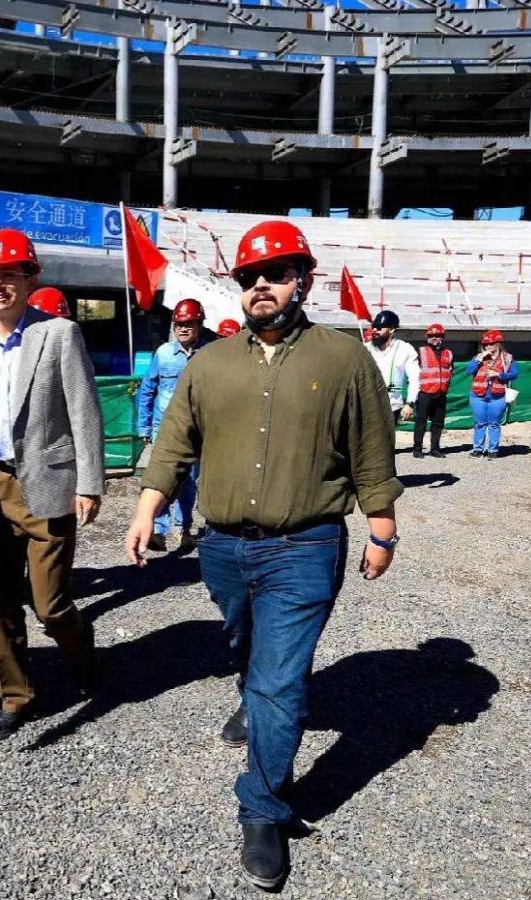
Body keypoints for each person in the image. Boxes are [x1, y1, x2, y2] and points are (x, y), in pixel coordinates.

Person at [124, 220, 402, 890]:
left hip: (305, 546)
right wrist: (147, 505)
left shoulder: (343, 358)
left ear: (303, 279)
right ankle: (252, 693)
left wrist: (383, 525)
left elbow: (371, 446)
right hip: (221, 549)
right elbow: (174, 441)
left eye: (276, 274)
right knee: (245, 643)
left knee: (281, 681)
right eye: (250, 277)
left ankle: (263, 808)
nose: (261, 287)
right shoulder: (210, 363)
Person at [0, 228, 104, 742]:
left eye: (9, 274)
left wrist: (90, 483)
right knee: (2, 600)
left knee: (50, 604)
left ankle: (85, 656)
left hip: (47, 482)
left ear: (29, 278)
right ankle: (16, 696)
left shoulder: (59, 334)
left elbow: (84, 411)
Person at [136, 298, 208, 553]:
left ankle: (184, 528)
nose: (184, 329)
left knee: (188, 481)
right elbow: (147, 390)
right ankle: (159, 529)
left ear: (199, 325)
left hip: (196, 430)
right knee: (162, 477)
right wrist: (143, 427)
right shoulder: (164, 354)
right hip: (164, 428)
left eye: (189, 324)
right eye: (179, 324)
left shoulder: (209, 355)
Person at [466, 329, 519, 459]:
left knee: (494, 423)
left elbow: (514, 374)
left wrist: (499, 375)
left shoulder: (507, 358)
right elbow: (469, 371)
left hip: (497, 396)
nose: (488, 347)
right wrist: (478, 360)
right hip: (478, 395)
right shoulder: (479, 357)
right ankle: (477, 449)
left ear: (498, 344)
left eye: (491, 344)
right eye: (486, 344)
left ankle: (493, 450)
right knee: (479, 423)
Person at [365, 309, 420, 425]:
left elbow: (415, 379)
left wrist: (410, 403)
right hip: (366, 406)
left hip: (391, 407)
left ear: (391, 329)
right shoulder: (365, 349)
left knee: (385, 441)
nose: (375, 330)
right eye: (374, 327)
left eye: (379, 328)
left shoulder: (405, 349)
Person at [412, 323, 454, 458]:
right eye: (431, 336)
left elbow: (450, 371)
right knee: (421, 422)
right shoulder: (420, 351)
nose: (434, 338)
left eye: (437, 335)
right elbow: (414, 372)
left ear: (443, 337)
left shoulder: (449, 353)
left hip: (441, 393)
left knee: (438, 423)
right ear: (427, 337)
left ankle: (435, 449)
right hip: (425, 392)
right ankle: (417, 449)